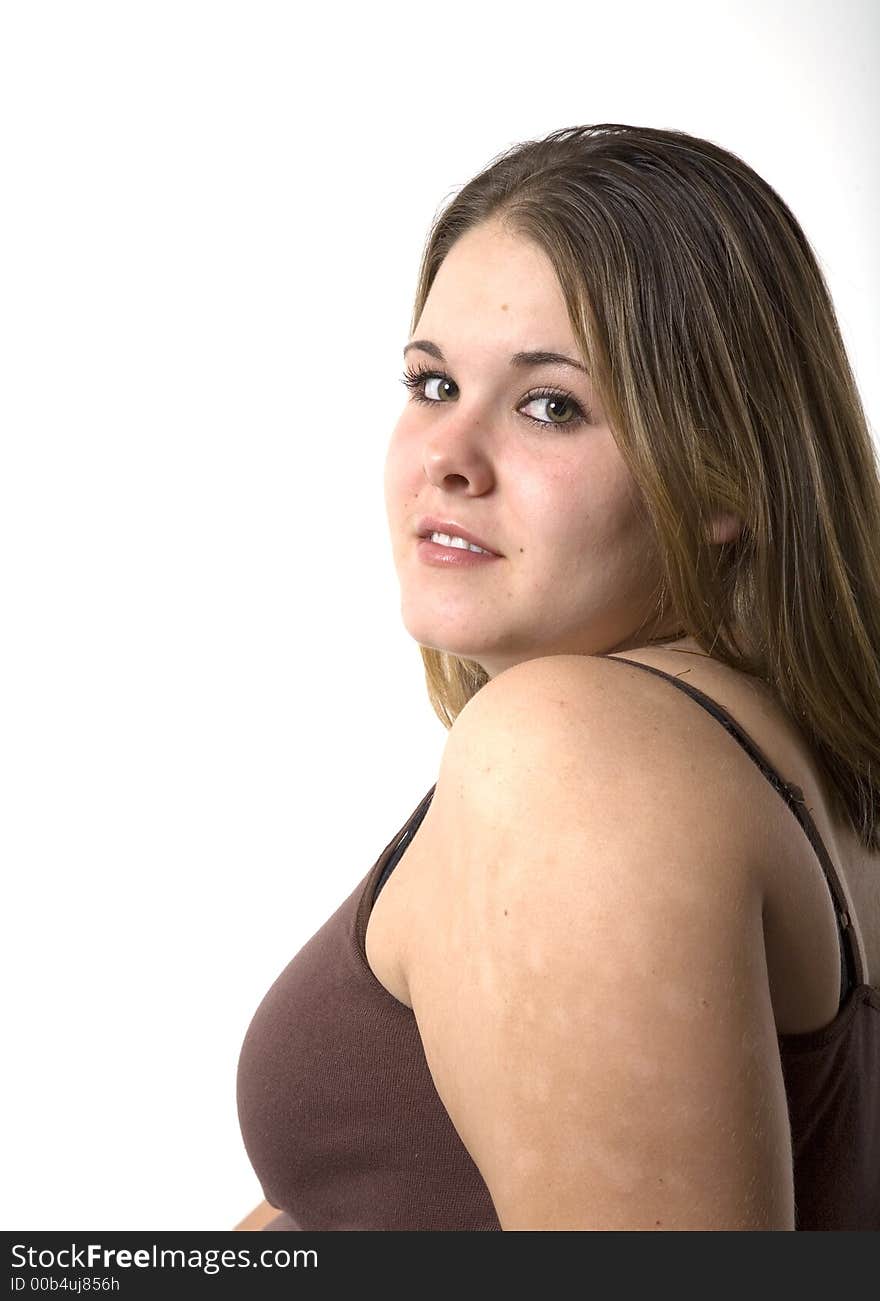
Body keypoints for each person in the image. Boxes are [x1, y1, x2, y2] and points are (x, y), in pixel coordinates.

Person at [234, 123, 880, 1231]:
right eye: (432, 381)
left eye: (549, 405)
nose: (449, 452)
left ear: (720, 473)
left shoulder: (573, 752)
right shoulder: (798, 758)